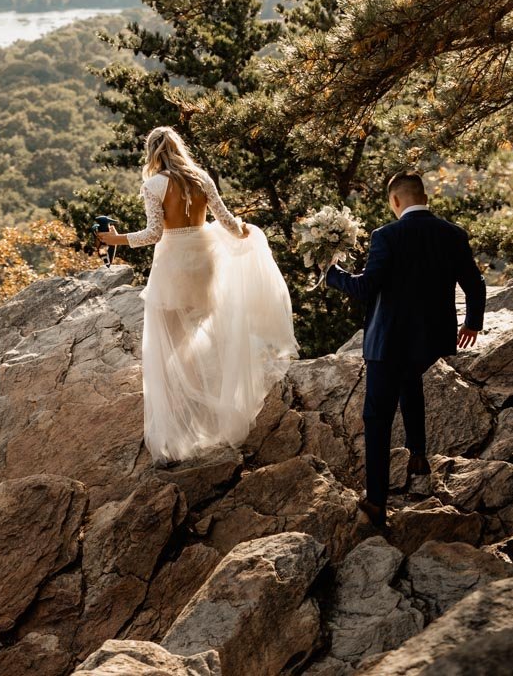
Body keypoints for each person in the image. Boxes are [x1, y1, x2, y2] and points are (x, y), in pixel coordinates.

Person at [97, 127, 297, 464]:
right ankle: (203, 415)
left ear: (152, 153)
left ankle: (180, 428)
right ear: (179, 148)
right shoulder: (201, 178)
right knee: (192, 346)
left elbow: (154, 233)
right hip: (204, 267)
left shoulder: (154, 185)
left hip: (173, 267)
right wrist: (247, 231)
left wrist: (113, 240)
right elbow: (230, 224)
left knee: (166, 351)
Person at [327, 172, 486, 528]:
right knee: (410, 382)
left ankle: (377, 502)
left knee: (377, 418)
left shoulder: (386, 236)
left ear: (395, 201)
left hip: (390, 340)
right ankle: (417, 454)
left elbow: (366, 288)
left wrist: (332, 274)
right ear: (423, 196)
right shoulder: (452, 233)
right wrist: (472, 323)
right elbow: (474, 283)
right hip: (433, 339)